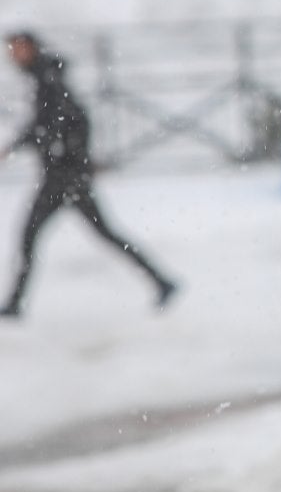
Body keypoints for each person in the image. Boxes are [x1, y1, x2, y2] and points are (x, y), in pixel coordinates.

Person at [1, 30, 176, 318]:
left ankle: (15, 304)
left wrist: (65, 154)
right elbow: (53, 123)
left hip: (63, 177)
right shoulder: (45, 77)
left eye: (16, 48)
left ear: (30, 47)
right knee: (102, 234)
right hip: (68, 174)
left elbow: (63, 121)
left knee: (30, 236)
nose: (12, 55)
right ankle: (161, 281)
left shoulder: (48, 80)